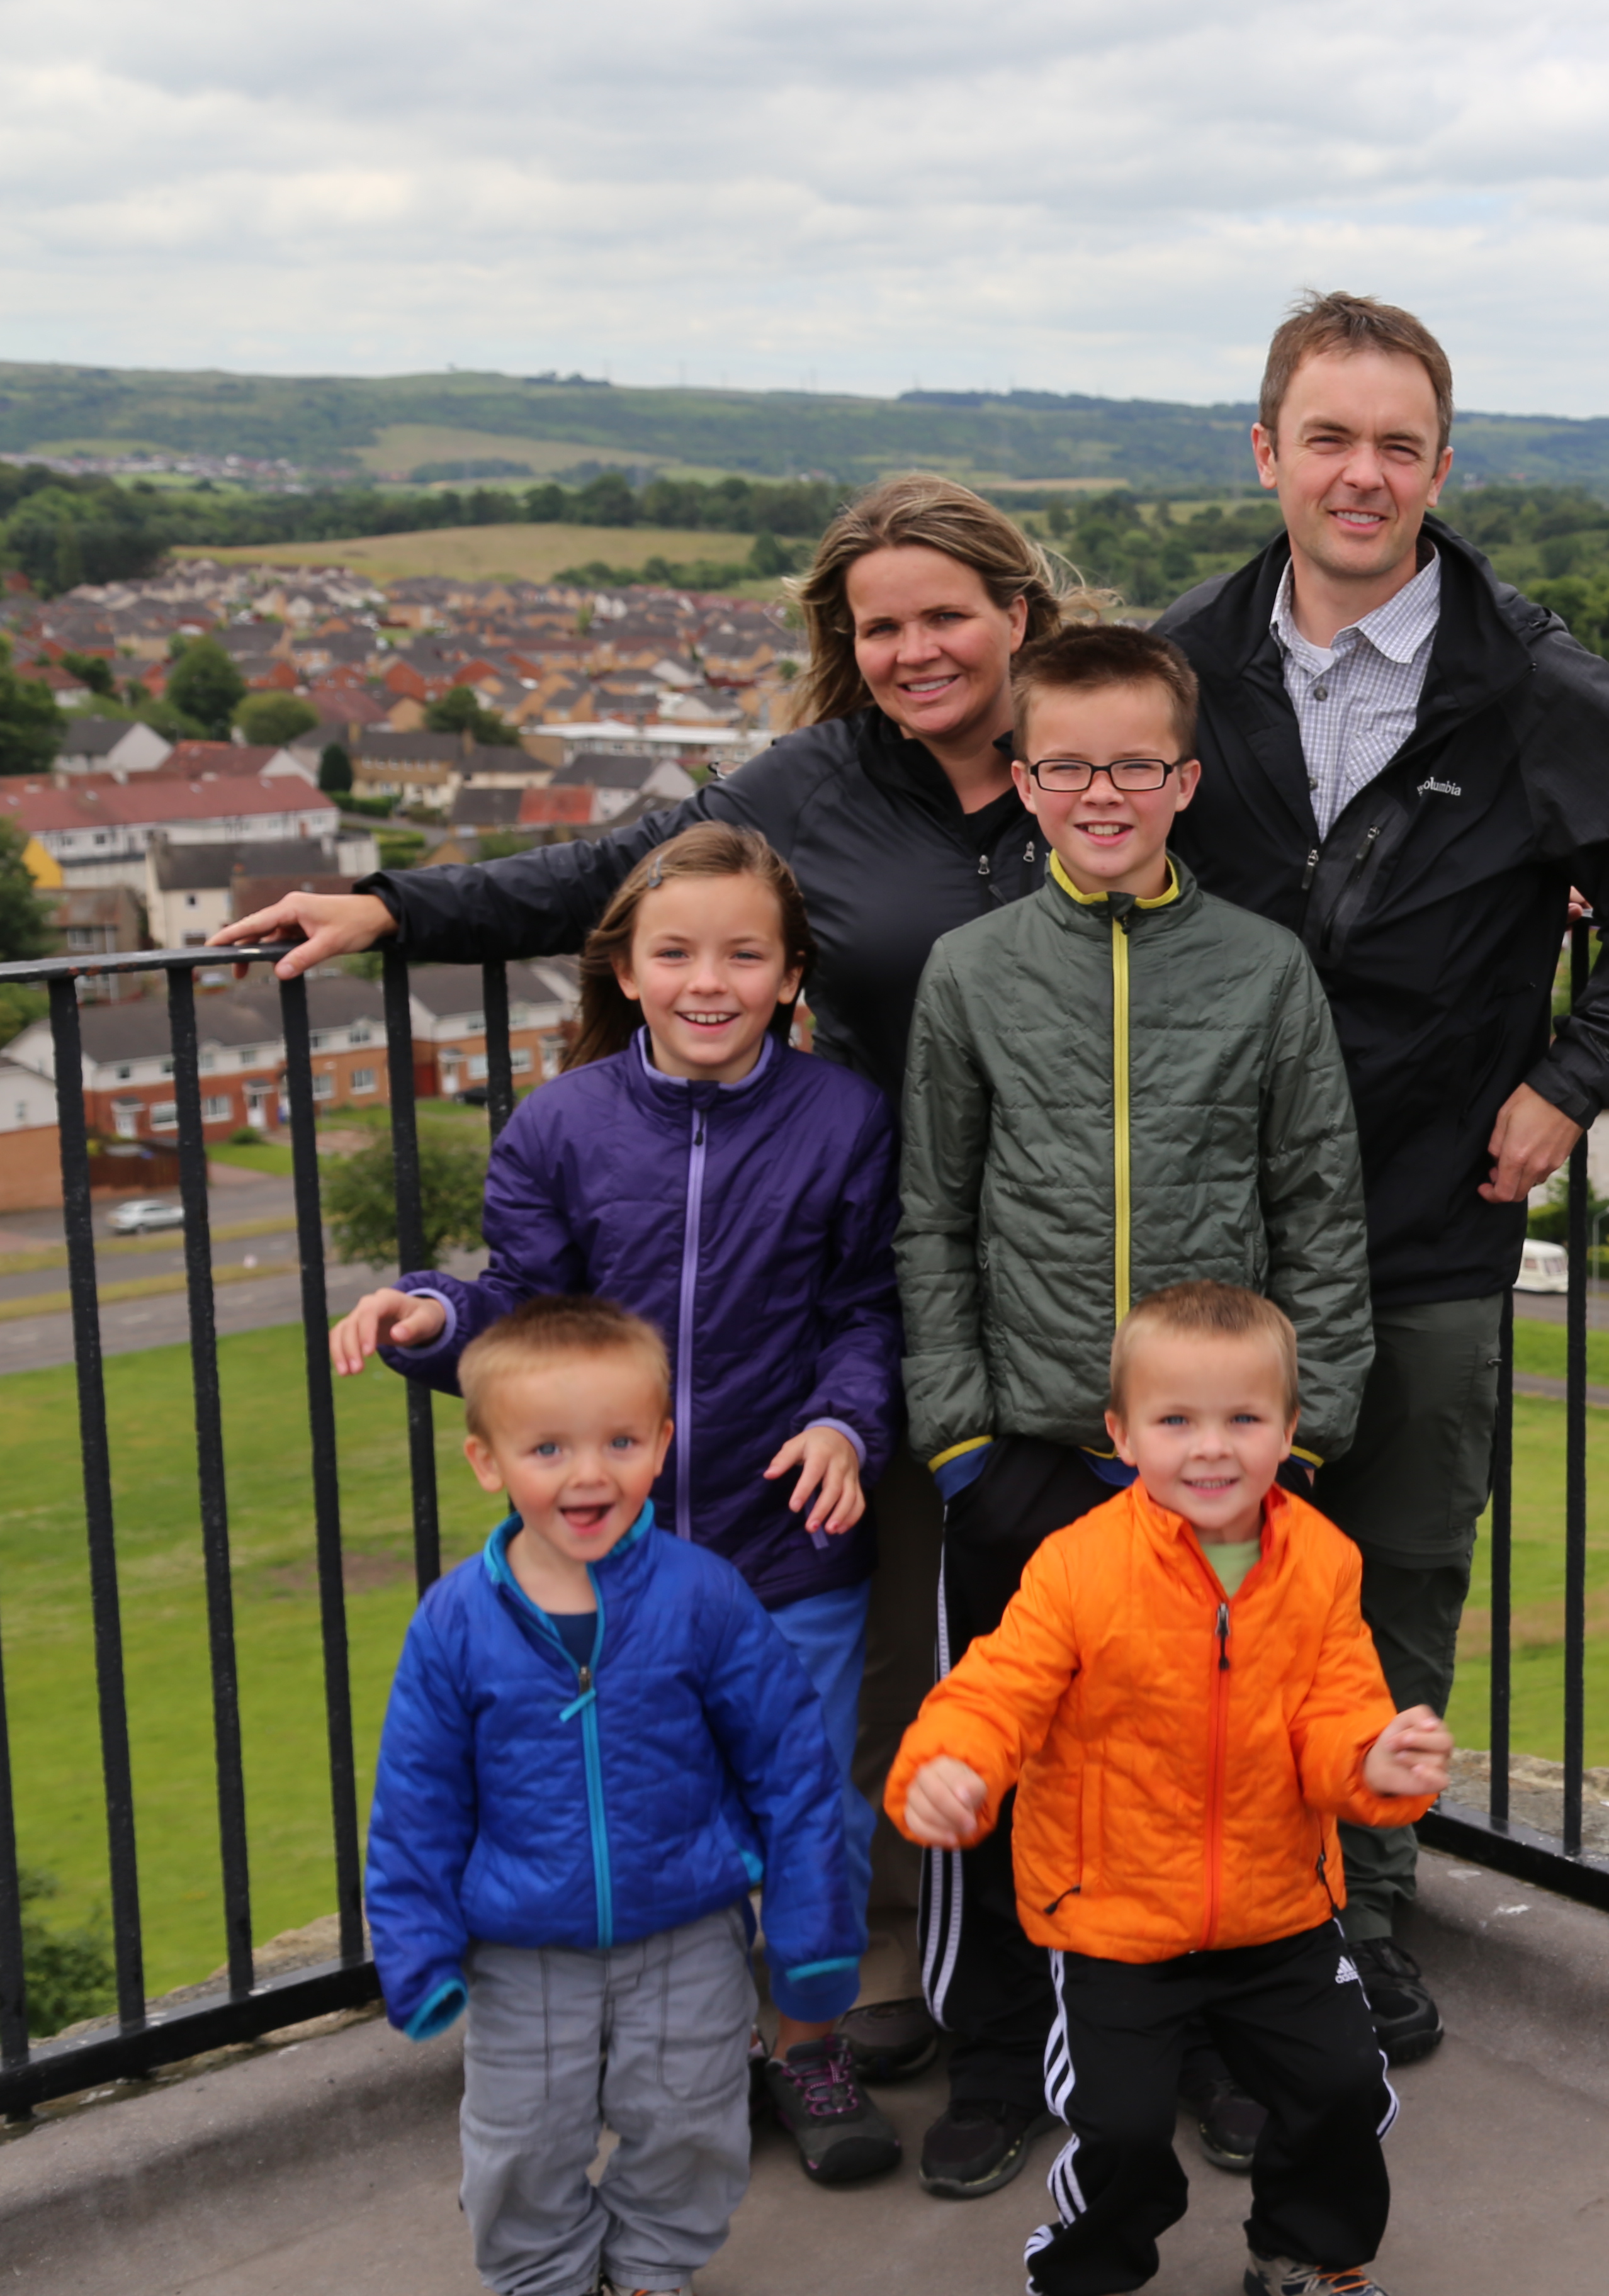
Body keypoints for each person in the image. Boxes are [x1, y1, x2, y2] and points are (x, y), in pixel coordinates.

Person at [219, 475, 1102, 2099]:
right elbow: (623, 875)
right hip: (881, 1275)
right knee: (905, 1658)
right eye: (877, 623)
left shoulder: (1096, 762)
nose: (913, 650)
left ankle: (1079, 1994)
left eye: (943, 615)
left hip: (1076, 1273)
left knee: (1053, 1650)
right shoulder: (810, 789)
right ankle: (869, 1999)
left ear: (1019, 613)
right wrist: (395, 908)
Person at [1155, 292, 1609, 2095]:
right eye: (1327, 437)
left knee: (1396, 1578)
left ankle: (1353, 1921)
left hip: (1427, 1209)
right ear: (1265, 455)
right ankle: (1194, 1930)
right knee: (1193, 1587)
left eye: (1398, 444)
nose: (1363, 474)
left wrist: (1574, 1080)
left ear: (1441, 467)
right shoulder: (1182, 669)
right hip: (1212, 1229)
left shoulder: (1526, 685)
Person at [331, 821, 906, 2184]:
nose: (709, 981)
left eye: (743, 954)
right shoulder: (561, 1125)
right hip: (613, 1568)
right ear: (628, 970)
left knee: (806, 1810)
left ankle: (808, 2047)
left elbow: (866, 1313)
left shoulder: (845, 1119)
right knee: (648, 1818)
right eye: (677, 953)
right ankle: (680, 2071)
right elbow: (527, 1311)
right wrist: (433, 1315)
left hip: (790, 1554)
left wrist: (844, 1422)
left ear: (789, 973)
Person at [896, 619, 1374, 2202]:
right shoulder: (971, 974)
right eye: (1069, 765)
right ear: (1022, 779)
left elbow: (1318, 1208)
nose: (1105, 792)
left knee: (1215, 1765)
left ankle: (1220, 2046)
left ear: (1185, 778)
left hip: (1219, 1469)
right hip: (1027, 1448)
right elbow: (933, 1213)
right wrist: (961, 1439)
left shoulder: (1260, 966)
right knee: (1011, 1755)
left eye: (1137, 765)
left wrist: (1298, 1438)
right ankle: (992, 2053)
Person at [891, 1281, 1451, 2296]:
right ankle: (1084, 2274)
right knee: (1122, 2129)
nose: (1212, 1449)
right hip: (1111, 1920)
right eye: (1176, 1420)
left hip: (1279, 1908)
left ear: (1290, 1430)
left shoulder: (1321, 1563)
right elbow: (996, 1688)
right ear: (1121, 1434)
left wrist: (1370, 1767)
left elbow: (1339, 1712)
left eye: (1244, 1419)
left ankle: (1305, 2251)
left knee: (1341, 2088)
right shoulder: (1076, 1567)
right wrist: (952, 1767)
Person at [367, 1295, 864, 2296]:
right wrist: (416, 1951)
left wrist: (812, 1934)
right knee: (520, 2144)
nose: (589, 1475)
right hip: (522, 1945)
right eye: (547, 1449)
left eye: (621, 1442)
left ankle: (649, 2270)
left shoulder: (706, 1595)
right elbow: (416, 1799)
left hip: (686, 1926)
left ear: (661, 1444)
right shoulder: (455, 1621)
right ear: (487, 1462)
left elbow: (792, 1769)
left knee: (693, 2123)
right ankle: (545, 2276)